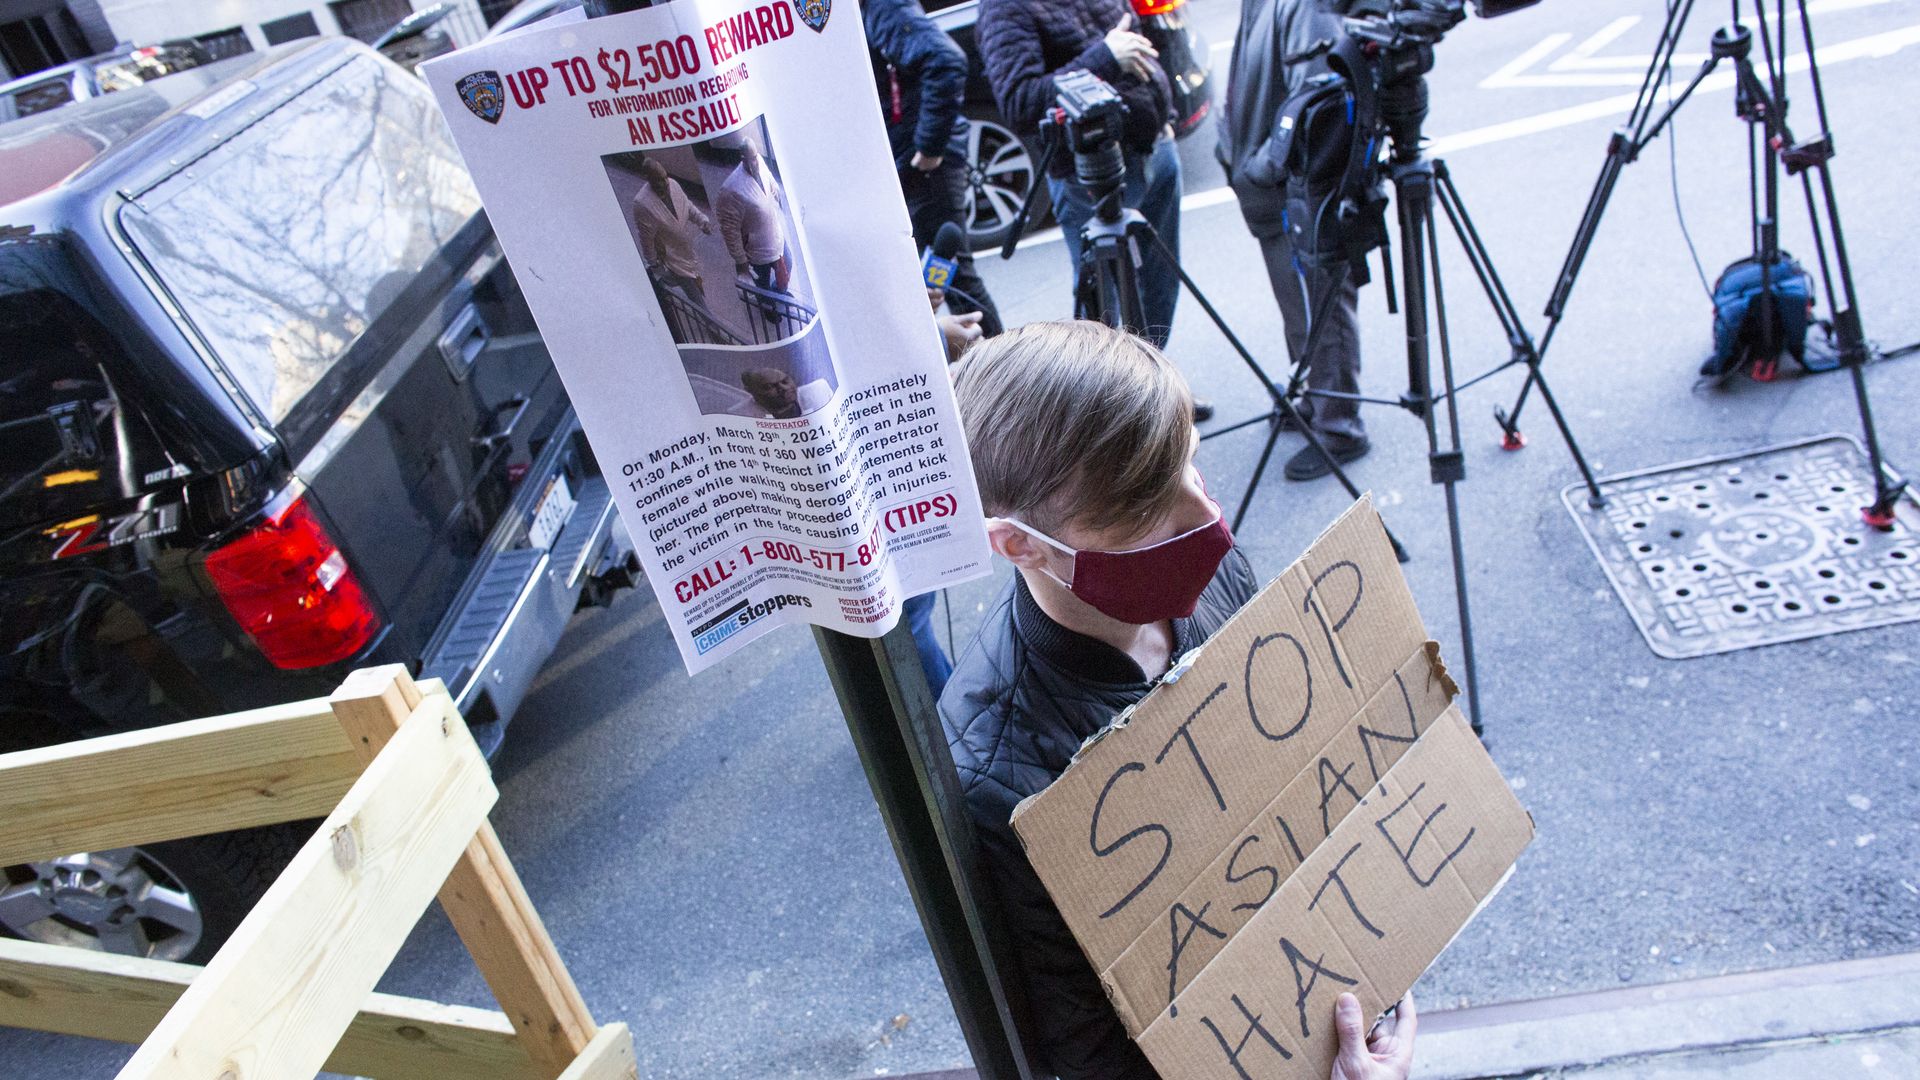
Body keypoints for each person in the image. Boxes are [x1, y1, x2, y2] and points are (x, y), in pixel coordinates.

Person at [939, 319, 1416, 1079]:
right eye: (1142, 509)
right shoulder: (1000, 779)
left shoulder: (1209, 576)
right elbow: (1092, 1052)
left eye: (1189, 463)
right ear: (1018, 544)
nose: (1205, 519)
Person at [975, 0, 1211, 421]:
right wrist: (1105, 58)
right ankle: (1121, 422)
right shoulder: (1003, 7)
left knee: (1159, 280)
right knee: (1104, 311)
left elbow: (1139, 40)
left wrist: (1165, 109)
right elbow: (1021, 100)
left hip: (1154, 146)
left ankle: (1159, 397)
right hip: (1086, 171)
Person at [1217, 0, 1370, 480]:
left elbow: (1317, 96)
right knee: (1297, 302)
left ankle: (1340, 428)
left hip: (1296, 185)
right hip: (1269, 185)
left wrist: (1262, 165)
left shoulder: (1306, 6)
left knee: (1322, 303)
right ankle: (1316, 397)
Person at [865, 0, 1004, 337]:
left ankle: (1008, 373)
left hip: (924, 168)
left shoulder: (878, 6)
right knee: (935, 279)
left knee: (952, 277)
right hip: (909, 161)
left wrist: (928, 148)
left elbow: (945, 60)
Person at [631, 157, 713, 306]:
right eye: (658, 180)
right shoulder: (641, 204)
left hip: (687, 252)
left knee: (692, 282)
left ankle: (664, 283)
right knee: (695, 296)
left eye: (665, 177)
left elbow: (687, 206)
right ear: (648, 179)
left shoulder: (673, 184)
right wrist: (653, 262)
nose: (665, 183)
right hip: (672, 258)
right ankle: (711, 325)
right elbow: (646, 239)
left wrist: (702, 221)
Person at [715, 141, 792, 294]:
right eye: (751, 159)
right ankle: (769, 306)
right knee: (762, 284)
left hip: (776, 236)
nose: (755, 162)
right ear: (743, 159)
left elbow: (771, 183)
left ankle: (778, 291)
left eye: (756, 157)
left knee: (787, 264)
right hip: (758, 250)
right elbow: (730, 231)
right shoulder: (731, 190)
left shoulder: (760, 163)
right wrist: (741, 260)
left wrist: (779, 199)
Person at [740, 367, 830, 419]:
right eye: (769, 387)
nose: (784, 388)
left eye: (785, 381)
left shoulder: (818, 391)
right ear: (750, 391)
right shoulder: (742, 416)